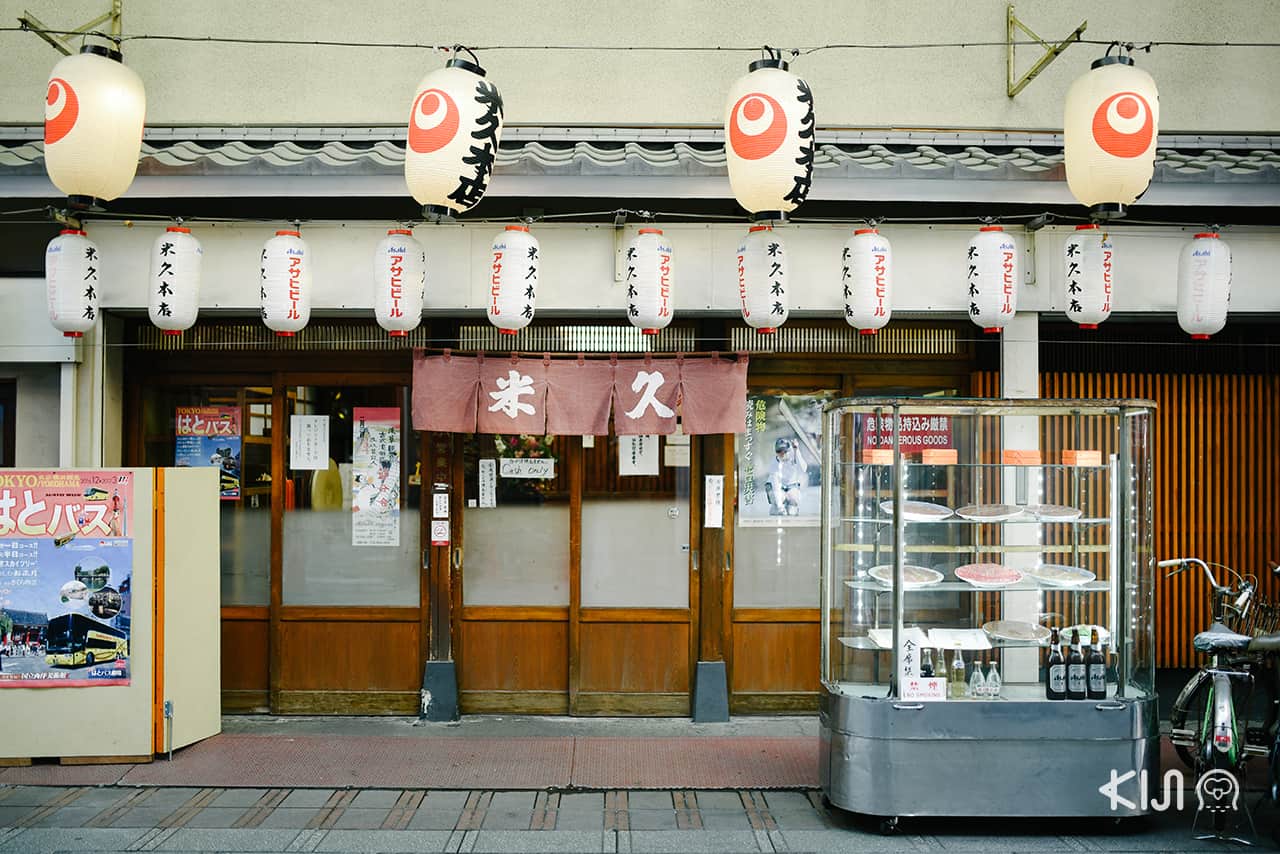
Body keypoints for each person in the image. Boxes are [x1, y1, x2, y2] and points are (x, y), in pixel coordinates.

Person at [767, 437, 808, 516]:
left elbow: (804, 469)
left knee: (792, 508)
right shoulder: (773, 463)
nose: (782, 454)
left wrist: (797, 450)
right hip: (778, 487)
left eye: (784, 451)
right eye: (779, 451)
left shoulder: (794, 456)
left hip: (791, 486)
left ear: (789, 450)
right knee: (778, 500)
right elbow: (775, 484)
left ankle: (792, 506)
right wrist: (779, 506)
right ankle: (775, 507)